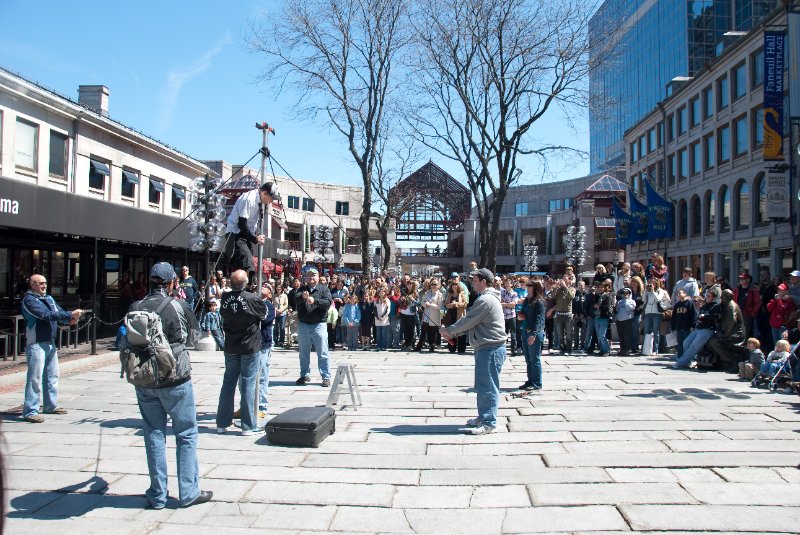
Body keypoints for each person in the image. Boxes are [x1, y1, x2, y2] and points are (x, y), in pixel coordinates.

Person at [127, 262, 210, 509]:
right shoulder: (178, 304)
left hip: (144, 377)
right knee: (185, 433)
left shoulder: (136, 306)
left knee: (153, 433)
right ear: (173, 282)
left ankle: (157, 494)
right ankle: (188, 491)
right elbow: (194, 337)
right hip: (175, 375)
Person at [440, 268, 507, 435]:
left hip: (490, 348)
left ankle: (489, 423)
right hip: (486, 347)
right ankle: (484, 416)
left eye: (475, 280)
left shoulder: (485, 300)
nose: (472, 283)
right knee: (482, 385)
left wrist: (450, 330)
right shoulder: (485, 298)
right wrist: (454, 332)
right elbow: (474, 323)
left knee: (488, 386)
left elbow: (468, 321)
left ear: (484, 281)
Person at [20, 274, 82, 423]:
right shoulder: (29, 300)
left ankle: (50, 405)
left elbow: (57, 312)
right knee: (35, 378)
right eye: (40, 283)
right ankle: (30, 410)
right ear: (32, 284)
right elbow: (45, 315)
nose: (44, 286)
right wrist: (69, 314)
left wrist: (69, 318)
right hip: (36, 343)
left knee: (52, 376)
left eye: (45, 283)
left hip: (50, 342)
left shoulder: (48, 298)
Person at [216, 270, 267, 436]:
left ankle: (222, 423)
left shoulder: (224, 298)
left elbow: (223, 314)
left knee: (228, 383)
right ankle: (248, 425)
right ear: (246, 283)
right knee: (248, 383)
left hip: (231, 344)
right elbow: (264, 315)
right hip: (249, 346)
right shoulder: (252, 298)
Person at [224, 182, 279, 284]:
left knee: (247, 262)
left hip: (245, 235)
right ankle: (248, 286)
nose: (271, 201)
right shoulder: (249, 199)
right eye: (271, 198)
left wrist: (254, 237)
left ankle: (246, 285)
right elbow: (241, 224)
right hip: (236, 233)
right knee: (247, 262)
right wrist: (255, 238)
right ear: (265, 193)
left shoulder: (261, 202)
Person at [292, 267, 333, 386]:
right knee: (303, 352)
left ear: (318, 277)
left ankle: (325, 376)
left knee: (323, 352)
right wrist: (302, 297)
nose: (311, 278)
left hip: (319, 324)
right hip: (304, 324)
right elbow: (294, 299)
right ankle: (304, 375)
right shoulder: (302, 289)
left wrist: (314, 300)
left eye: (313, 275)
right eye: (309, 275)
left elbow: (327, 303)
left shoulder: (324, 289)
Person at [672, 287, 722, 369]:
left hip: (708, 329)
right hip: (699, 328)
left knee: (694, 346)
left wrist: (706, 316)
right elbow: (698, 316)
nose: (707, 298)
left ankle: (680, 363)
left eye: (709, 296)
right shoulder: (704, 306)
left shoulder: (716, 306)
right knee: (686, 343)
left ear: (713, 298)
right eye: (707, 296)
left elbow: (716, 317)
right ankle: (688, 362)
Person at [706, 289, 748, 372]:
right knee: (713, 341)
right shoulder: (725, 305)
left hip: (736, 333)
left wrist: (726, 334)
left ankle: (732, 362)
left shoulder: (731, 305)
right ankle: (727, 362)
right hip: (728, 331)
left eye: (723, 296)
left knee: (715, 342)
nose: (721, 298)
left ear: (727, 297)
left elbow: (732, 320)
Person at [519, 280, 545, 391]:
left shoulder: (539, 302)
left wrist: (533, 334)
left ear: (535, 287)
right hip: (525, 331)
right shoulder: (527, 300)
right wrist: (521, 316)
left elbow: (539, 320)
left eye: (530, 285)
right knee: (528, 359)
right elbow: (524, 313)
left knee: (534, 359)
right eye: (527, 285)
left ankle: (537, 383)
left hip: (534, 333)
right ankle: (530, 380)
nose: (527, 287)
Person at [256, 286, 276, 417]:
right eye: (262, 285)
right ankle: (246, 404)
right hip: (249, 344)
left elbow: (263, 319)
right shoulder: (250, 302)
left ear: (269, 294)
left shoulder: (269, 306)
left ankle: (261, 406)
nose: (263, 287)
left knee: (262, 375)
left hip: (263, 343)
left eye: (267, 287)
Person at [642, 279, 669, 354]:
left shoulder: (661, 291)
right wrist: (645, 291)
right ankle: (645, 349)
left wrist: (653, 291)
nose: (652, 284)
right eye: (651, 283)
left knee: (655, 331)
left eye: (654, 283)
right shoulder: (648, 291)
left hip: (656, 313)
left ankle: (655, 350)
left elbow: (658, 299)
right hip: (648, 312)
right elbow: (644, 300)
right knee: (646, 330)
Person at [670, 289, 697, 362]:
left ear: (685, 294)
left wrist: (693, 325)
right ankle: (680, 358)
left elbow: (693, 315)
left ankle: (688, 359)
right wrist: (673, 326)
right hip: (679, 328)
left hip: (687, 328)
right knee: (680, 344)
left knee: (687, 344)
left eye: (680, 293)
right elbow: (674, 317)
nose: (678, 295)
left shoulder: (689, 303)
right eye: (677, 294)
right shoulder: (677, 305)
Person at [419, 279, 444, 352]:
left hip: (434, 314)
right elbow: (422, 302)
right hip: (426, 314)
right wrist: (425, 304)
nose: (433, 286)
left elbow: (439, 306)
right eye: (432, 284)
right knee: (423, 330)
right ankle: (419, 345)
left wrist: (431, 305)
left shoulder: (440, 294)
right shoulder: (427, 292)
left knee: (433, 332)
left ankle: (432, 346)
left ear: (438, 285)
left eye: (435, 284)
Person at [553, 275, 576, 355]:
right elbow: (553, 296)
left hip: (568, 315)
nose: (563, 281)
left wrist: (565, 286)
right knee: (560, 334)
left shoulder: (572, 289)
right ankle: (562, 349)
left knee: (569, 334)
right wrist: (555, 287)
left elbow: (571, 296)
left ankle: (568, 349)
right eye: (563, 280)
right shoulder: (559, 289)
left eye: (565, 280)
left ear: (569, 281)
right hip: (559, 314)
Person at [733, 273, 760, 340]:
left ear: (748, 280)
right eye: (740, 279)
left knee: (746, 332)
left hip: (747, 314)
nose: (741, 280)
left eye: (743, 279)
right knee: (737, 331)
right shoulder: (736, 289)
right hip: (737, 313)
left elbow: (757, 303)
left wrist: (753, 313)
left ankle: (746, 346)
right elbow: (733, 300)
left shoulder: (753, 290)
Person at [443, 280, 468, 354]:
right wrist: (450, 305)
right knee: (451, 332)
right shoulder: (449, 294)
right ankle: (452, 348)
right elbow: (446, 304)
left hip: (460, 315)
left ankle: (461, 349)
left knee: (461, 332)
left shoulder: (462, 294)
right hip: (451, 316)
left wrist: (457, 304)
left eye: (456, 285)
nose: (454, 286)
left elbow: (465, 304)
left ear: (458, 286)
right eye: (453, 285)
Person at [500, 279, 519, 356]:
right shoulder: (502, 292)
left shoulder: (514, 293)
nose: (507, 284)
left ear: (511, 284)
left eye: (509, 283)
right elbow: (500, 303)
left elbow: (513, 304)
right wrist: (508, 304)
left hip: (512, 315)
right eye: (506, 283)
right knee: (504, 334)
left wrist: (505, 304)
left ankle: (513, 350)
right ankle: (502, 350)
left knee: (513, 334)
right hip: (504, 316)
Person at [615, 287, 635, 356]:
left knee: (627, 336)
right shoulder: (620, 301)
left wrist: (626, 300)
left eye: (627, 293)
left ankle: (627, 349)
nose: (625, 294)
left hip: (627, 320)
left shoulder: (632, 301)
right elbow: (617, 309)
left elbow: (629, 309)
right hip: (619, 320)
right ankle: (622, 349)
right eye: (624, 293)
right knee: (621, 336)